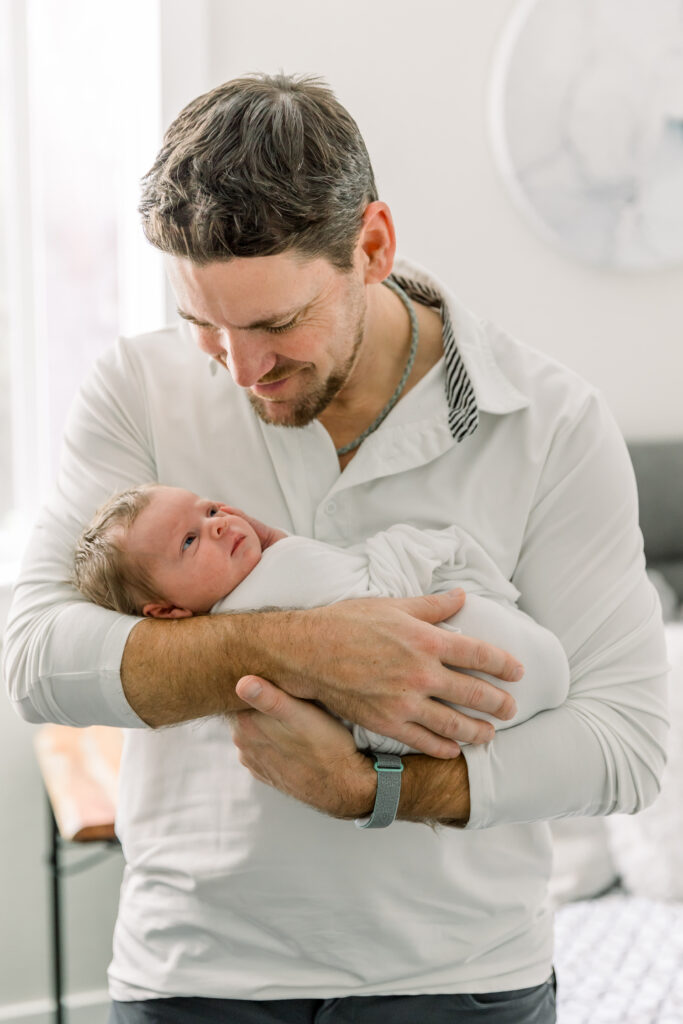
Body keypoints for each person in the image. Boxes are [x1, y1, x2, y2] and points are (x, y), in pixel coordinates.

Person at [3, 73, 669, 1024]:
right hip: (195, 977)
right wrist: (302, 647)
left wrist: (374, 788)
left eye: (275, 324)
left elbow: (627, 745)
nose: (241, 372)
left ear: (372, 246)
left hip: (459, 983)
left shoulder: (548, 422)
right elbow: (35, 661)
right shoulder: (136, 390)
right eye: (205, 325)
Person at [71, 482, 571, 755]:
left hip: (491, 682)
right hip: (487, 678)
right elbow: (367, 590)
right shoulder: (247, 617)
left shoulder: (267, 575)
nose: (218, 524)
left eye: (208, 510)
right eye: (189, 540)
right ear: (168, 612)